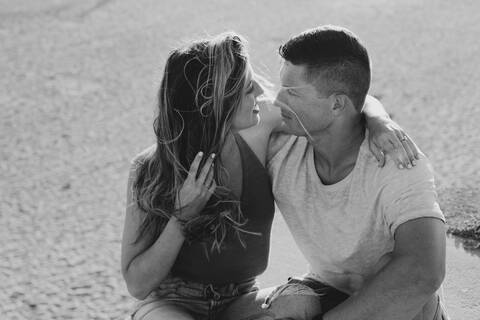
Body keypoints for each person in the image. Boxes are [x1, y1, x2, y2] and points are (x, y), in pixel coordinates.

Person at [121, 31, 418, 320]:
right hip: (172, 303)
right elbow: (138, 284)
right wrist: (182, 217)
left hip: (242, 298)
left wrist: (379, 120)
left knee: (301, 302)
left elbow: (339, 98)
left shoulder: (258, 128)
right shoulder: (150, 169)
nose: (262, 93)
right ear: (216, 100)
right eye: (248, 87)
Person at [224, 26, 448, 320]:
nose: (278, 100)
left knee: (390, 268)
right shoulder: (280, 138)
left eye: (292, 92)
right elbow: (213, 114)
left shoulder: (397, 161)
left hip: (399, 305)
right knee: (244, 312)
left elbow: (424, 272)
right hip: (324, 287)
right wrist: (376, 114)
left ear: (337, 104)